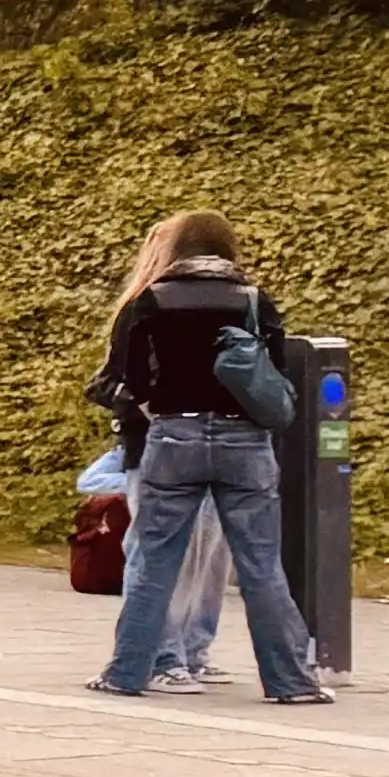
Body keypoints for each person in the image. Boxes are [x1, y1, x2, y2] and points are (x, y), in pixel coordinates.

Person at [86, 211, 328, 704]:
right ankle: (291, 682)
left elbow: (131, 379)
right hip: (245, 443)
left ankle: (128, 672)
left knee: (154, 560)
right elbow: (276, 374)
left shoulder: (150, 301)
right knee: (261, 564)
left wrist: (167, 405)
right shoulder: (255, 301)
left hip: (175, 437)